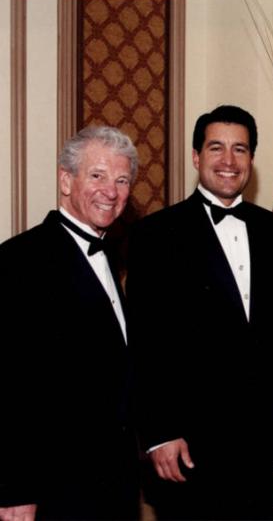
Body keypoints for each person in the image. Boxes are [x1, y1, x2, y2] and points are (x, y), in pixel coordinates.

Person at [127, 105, 273, 520]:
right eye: (216, 148)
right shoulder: (155, 235)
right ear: (196, 157)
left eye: (240, 150)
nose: (228, 161)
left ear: (251, 160)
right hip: (190, 452)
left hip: (265, 452)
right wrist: (159, 434)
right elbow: (144, 343)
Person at [0, 126, 140, 520]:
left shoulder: (112, 259)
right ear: (66, 180)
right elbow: (9, 385)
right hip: (52, 489)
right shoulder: (20, 260)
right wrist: (14, 490)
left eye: (122, 179)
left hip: (111, 484)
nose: (110, 191)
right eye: (96, 175)